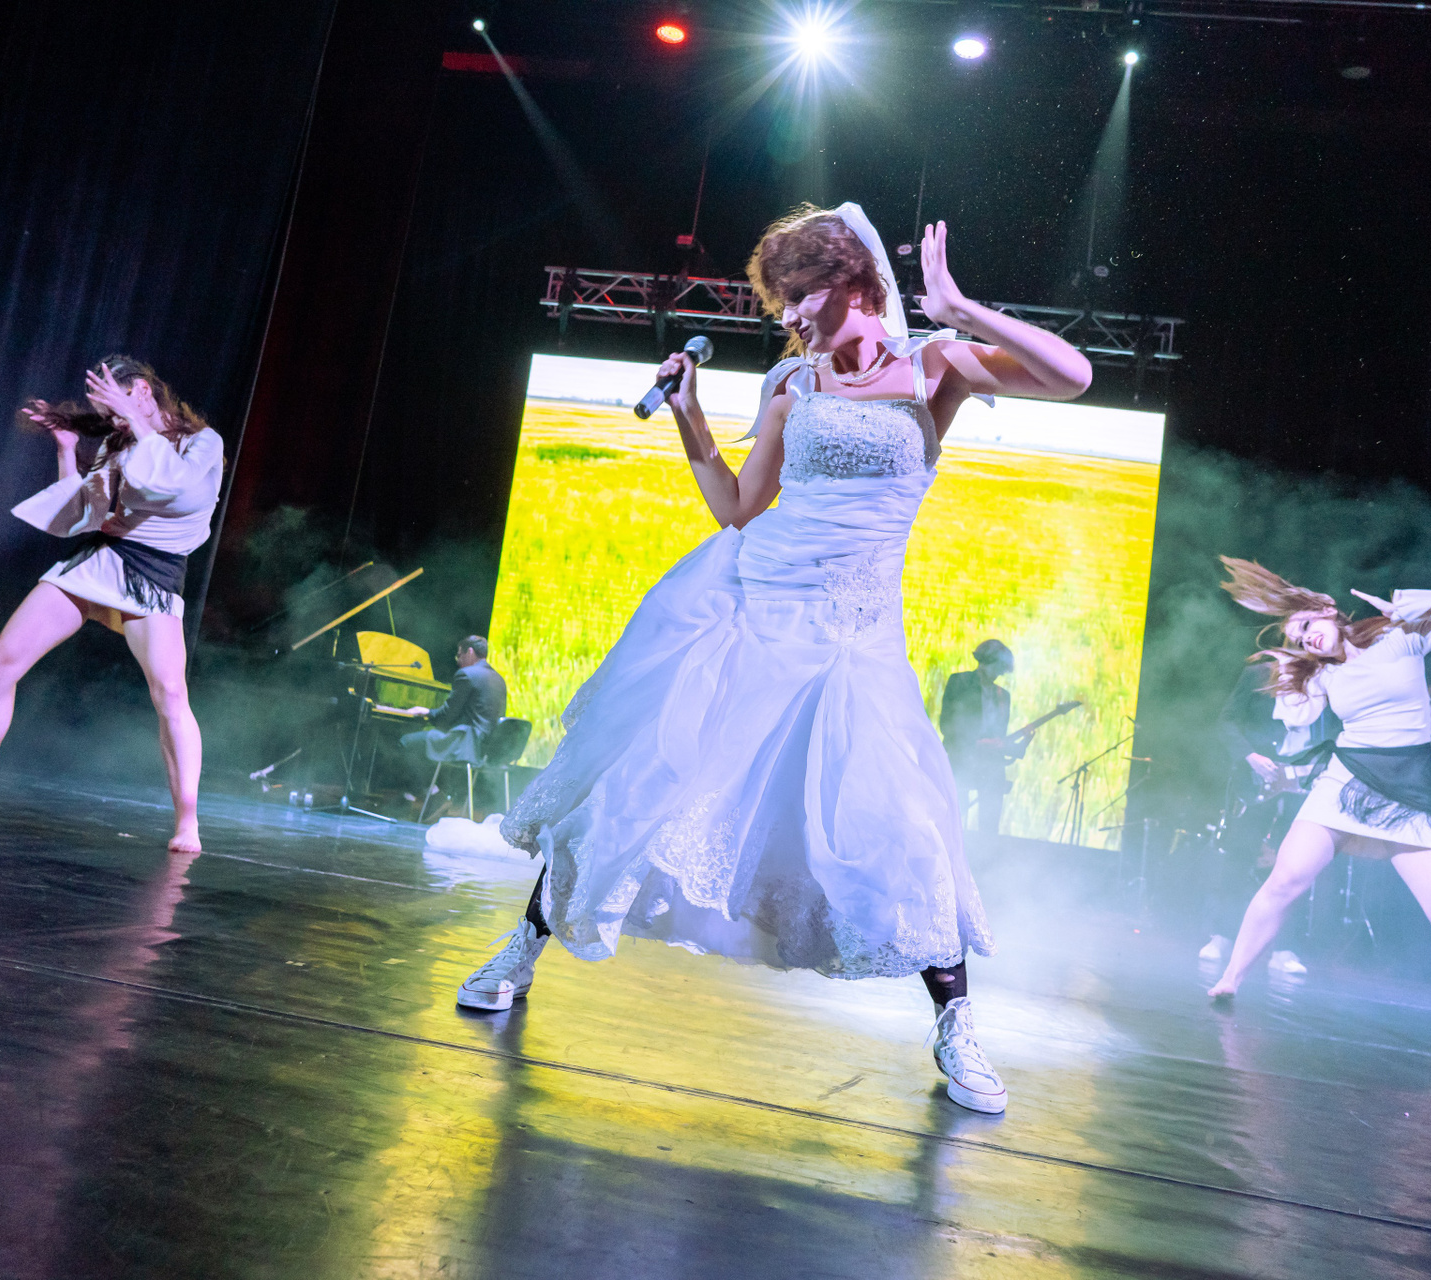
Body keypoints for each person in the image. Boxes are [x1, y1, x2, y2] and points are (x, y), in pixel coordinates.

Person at [454, 202, 1092, 1113]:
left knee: (902, 827)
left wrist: (959, 308)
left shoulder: (934, 365)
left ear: (856, 283)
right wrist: (689, 417)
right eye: (781, 300)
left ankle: (957, 1029)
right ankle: (520, 952)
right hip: (751, 607)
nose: (788, 316)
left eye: (801, 295)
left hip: (855, 636)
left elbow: (1073, 376)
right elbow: (737, 507)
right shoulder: (793, 380)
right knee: (638, 782)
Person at [0, 357, 224, 854]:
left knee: (169, 694)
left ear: (143, 391)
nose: (113, 420)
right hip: (101, 561)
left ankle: (188, 822)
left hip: (153, 575)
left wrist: (134, 425)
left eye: (118, 406)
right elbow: (86, 514)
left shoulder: (202, 442)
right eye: (108, 414)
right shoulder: (120, 442)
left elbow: (174, 488)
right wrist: (67, 450)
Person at [1205, 557, 1431, 1049]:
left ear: (1327, 609)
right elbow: (1292, 713)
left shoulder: (1400, 638)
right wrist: (1281, 670)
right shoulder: (1321, 675)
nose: (1306, 640)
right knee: (1285, 881)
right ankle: (1231, 977)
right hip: (1345, 783)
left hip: (1410, 793)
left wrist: (1403, 606)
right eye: (1298, 639)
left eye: (1307, 627)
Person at [1201, 661, 1341, 973]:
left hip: (1305, 783)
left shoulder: (1332, 678)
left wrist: (1326, 768)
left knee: (1298, 867)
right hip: (1258, 780)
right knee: (1239, 857)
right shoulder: (1262, 673)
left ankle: (1284, 949)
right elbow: (1227, 721)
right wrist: (1249, 756)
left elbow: (1339, 732)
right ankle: (1222, 937)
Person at [380, 636, 509, 810]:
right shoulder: (499, 679)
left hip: (466, 742)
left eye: (459, 655)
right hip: (487, 747)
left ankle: (431, 794)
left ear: (470, 652)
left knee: (406, 742)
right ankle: (418, 797)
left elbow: (447, 716)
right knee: (425, 742)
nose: (458, 660)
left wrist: (427, 712)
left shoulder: (467, 674)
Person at [940, 639, 1022, 840]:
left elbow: (999, 737)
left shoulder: (1003, 696)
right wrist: (975, 743)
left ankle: (988, 845)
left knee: (991, 810)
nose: (1000, 673)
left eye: (1002, 669)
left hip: (989, 763)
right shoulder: (959, 682)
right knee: (955, 818)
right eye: (998, 667)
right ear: (985, 662)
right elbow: (947, 724)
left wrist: (1014, 746)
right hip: (962, 757)